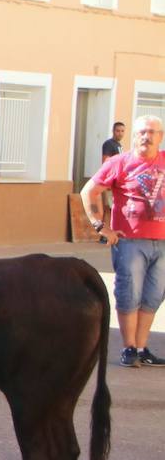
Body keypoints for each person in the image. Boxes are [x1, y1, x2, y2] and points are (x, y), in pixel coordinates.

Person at [81, 115, 165, 368]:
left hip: (162, 243)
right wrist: (101, 226)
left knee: (153, 297)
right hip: (130, 241)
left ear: (160, 137)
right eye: (142, 132)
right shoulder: (120, 162)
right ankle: (128, 347)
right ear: (133, 136)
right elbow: (89, 191)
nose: (146, 136)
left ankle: (141, 347)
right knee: (130, 294)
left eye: (152, 132)